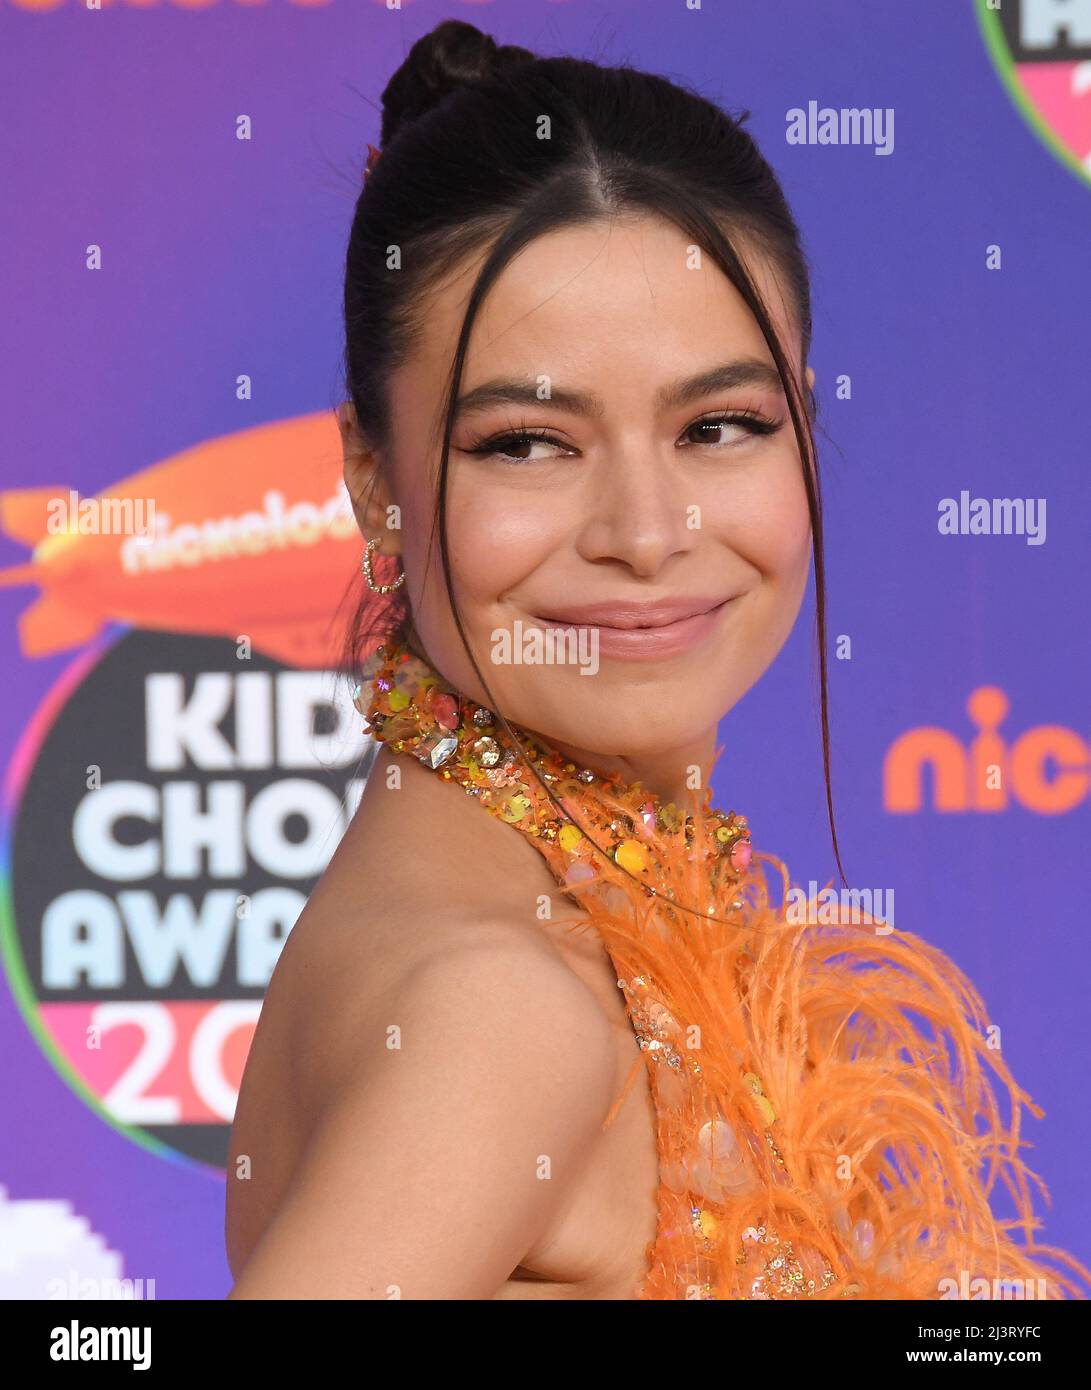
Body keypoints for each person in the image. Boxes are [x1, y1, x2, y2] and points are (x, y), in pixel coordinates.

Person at [224, 19, 1089, 1300]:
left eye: (720, 425)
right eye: (525, 442)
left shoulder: (533, 915)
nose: (645, 533)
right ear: (372, 477)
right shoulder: (498, 1008)